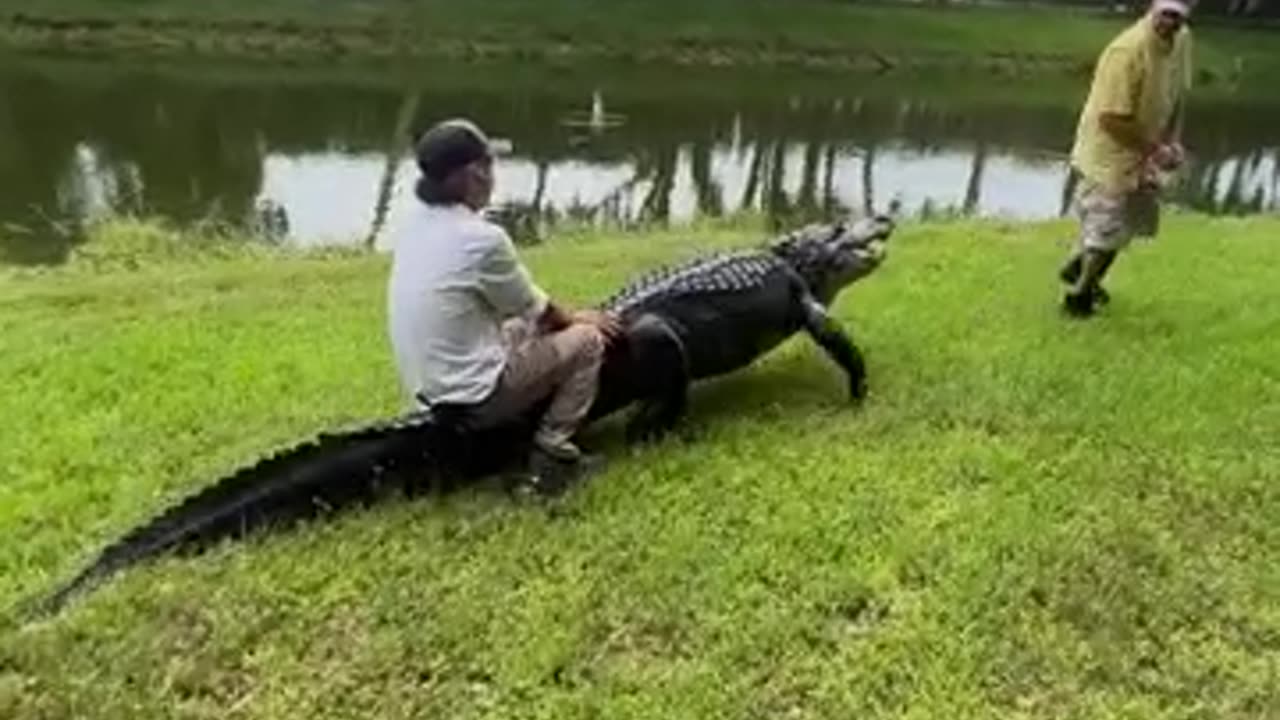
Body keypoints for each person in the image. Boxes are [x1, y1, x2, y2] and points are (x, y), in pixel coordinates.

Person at [387, 118, 622, 496]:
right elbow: (543, 312)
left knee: (529, 327)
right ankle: (552, 452)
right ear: (467, 176)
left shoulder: (414, 225)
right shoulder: (482, 238)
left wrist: (547, 321)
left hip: (427, 390)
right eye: (486, 166)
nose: (491, 176)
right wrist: (578, 319)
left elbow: (522, 310)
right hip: (472, 398)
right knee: (587, 340)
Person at [1058, 0, 1194, 317]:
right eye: (1166, 13)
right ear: (1153, 8)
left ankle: (1079, 266)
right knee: (1109, 228)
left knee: (1132, 220)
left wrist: (1172, 141)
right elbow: (1111, 119)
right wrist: (1156, 151)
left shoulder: (1182, 40)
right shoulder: (1127, 52)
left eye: (1179, 15)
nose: (1171, 23)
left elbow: (1177, 94)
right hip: (1109, 153)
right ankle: (1078, 298)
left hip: (1143, 148)